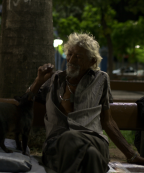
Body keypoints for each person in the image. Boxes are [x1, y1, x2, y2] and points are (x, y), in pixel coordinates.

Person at [27, 33, 144, 173]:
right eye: (70, 54)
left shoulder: (100, 79)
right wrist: (38, 81)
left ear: (92, 61)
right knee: (79, 146)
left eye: (78, 57)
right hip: (57, 145)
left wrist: (131, 155)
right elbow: (25, 102)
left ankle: (90, 156)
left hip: (93, 140)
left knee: (77, 143)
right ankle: (92, 158)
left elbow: (108, 121)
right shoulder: (54, 79)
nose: (71, 60)